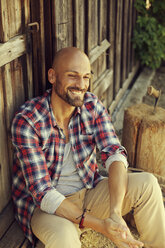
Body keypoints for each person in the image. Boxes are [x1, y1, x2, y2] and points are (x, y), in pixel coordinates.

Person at [11, 47, 165, 248]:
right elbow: (43, 194)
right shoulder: (27, 121)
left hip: (89, 192)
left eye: (86, 77)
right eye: (72, 76)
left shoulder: (92, 106)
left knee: (148, 183)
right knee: (64, 239)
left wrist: (115, 213)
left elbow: (114, 154)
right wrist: (101, 226)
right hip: (47, 209)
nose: (81, 84)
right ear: (52, 76)